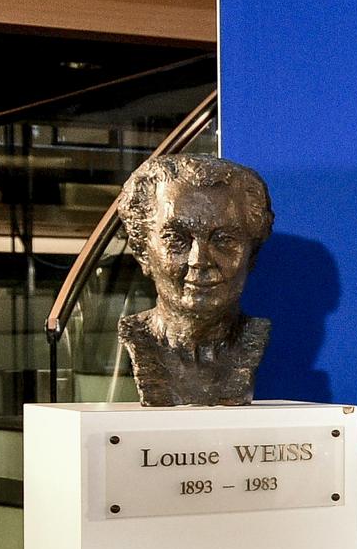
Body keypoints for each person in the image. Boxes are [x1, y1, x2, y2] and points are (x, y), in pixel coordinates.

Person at [115, 154, 275, 407]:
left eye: (224, 240)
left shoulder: (253, 338)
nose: (199, 260)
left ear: (251, 254)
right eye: (176, 239)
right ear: (142, 252)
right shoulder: (140, 339)